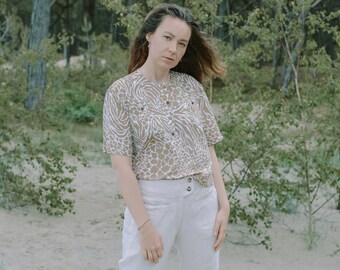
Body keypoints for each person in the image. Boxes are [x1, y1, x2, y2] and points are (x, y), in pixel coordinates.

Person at [103, 3, 230, 270]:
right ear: (150, 36)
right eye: (168, 38)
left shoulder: (192, 87)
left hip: (201, 200)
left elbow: (208, 147)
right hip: (154, 202)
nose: (174, 49)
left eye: (182, 44)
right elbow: (121, 165)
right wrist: (145, 225)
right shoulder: (121, 92)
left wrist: (223, 205)